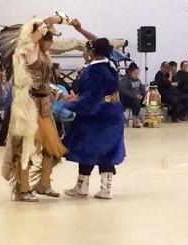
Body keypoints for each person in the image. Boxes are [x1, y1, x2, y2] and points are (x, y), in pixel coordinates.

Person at [0, 14, 72, 202]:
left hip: (43, 105)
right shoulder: (29, 49)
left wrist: (55, 89)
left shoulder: (45, 54)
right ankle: (23, 189)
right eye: (49, 37)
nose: (51, 41)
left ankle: (43, 184)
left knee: (52, 148)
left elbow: (44, 79)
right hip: (27, 105)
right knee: (24, 147)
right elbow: (35, 34)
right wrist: (55, 20)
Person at [63, 38, 125, 199]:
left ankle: (82, 186)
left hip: (96, 114)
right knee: (108, 148)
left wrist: (69, 104)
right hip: (113, 112)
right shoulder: (111, 64)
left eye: (85, 50)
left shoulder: (93, 71)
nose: (83, 53)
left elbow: (90, 98)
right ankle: (106, 188)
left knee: (88, 148)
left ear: (91, 53)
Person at [119, 62, 145, 128]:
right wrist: (135, 96)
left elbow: (142, 89)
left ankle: (145, 118)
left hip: (138, 98)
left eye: (137, 73)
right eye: (135, 73)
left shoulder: (138, 80)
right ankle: (135, 121)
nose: (137, 75)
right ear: (130, 72)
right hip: (127, 100)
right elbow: (123, 91)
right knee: (136, 101)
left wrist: (144, 95)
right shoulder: (124, 80)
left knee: (146, 101)